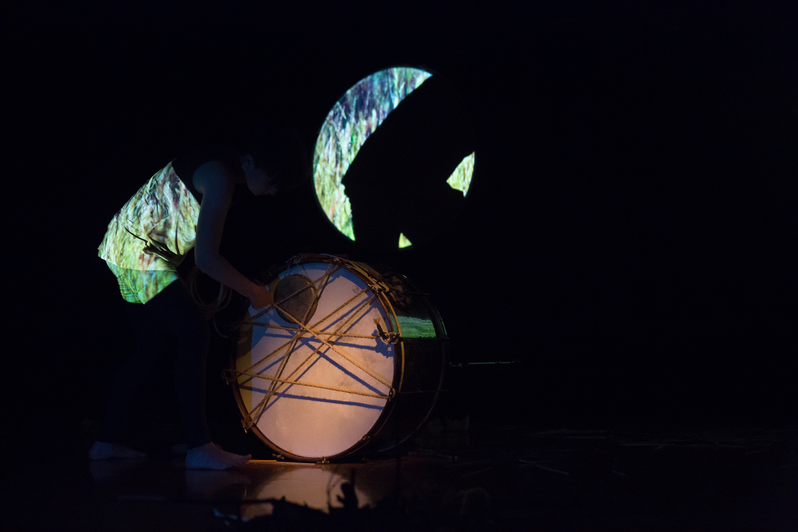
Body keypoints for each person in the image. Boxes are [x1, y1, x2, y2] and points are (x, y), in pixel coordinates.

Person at [90, 127, 307, 469]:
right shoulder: (219, 177)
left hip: (122, 248)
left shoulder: (220, 168)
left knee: (150, 348)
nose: (274, 190)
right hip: (137, 254)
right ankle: (199, 447)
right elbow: (206, 259)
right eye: (273, 180)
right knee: (194, 334)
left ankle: (105, 442)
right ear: (251, 160)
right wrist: (254, 292)